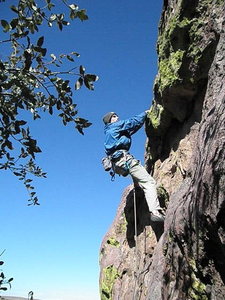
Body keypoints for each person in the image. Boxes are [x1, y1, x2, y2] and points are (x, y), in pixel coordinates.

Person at [103, 111, 165, 223]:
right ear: (110, 120)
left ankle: (137, 187)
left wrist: (139, 124)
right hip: (124, 159)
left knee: (136, 175)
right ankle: (155, 212)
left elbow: (130, 129)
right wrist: (145, 114)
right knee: (149, 182)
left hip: (117, 165)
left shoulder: (110, 131)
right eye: (114, 116)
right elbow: (131, 122)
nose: (117, 117)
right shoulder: (115, 126)